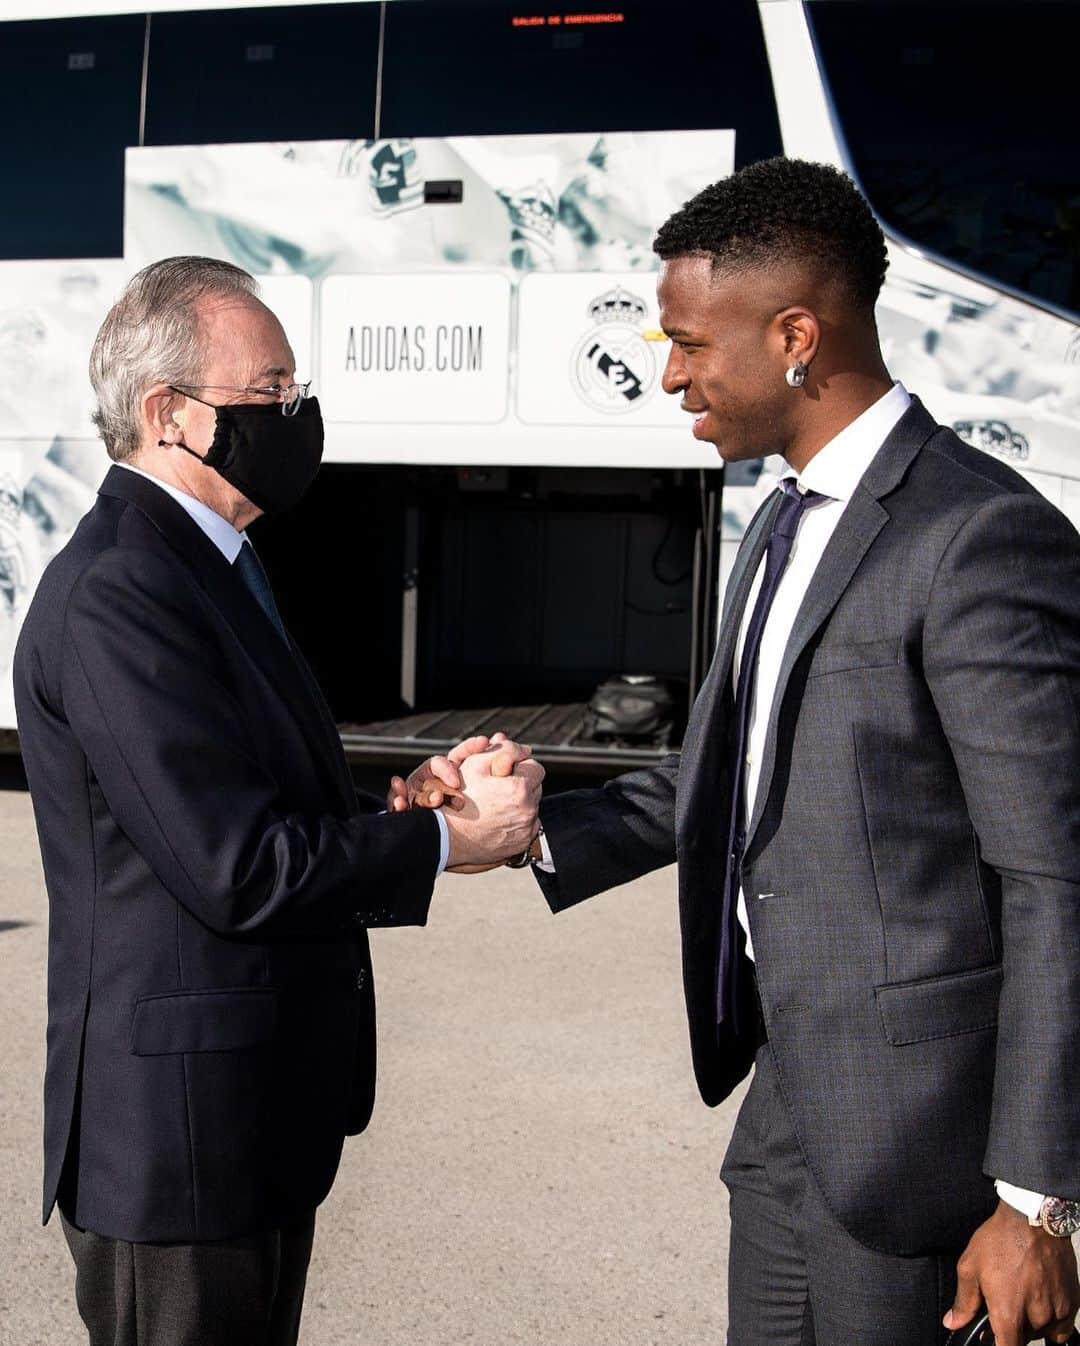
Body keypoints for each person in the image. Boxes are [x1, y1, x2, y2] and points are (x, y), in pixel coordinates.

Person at [401, 160, 1080, 1345]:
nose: (668, 371)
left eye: (687, 342)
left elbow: (1056, 876)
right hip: (782, 1108)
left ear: (796, 337)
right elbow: (727, 774)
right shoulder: (780, 516)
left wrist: (1036, 1196)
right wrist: (524, 828)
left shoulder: (980, 536)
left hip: (925, 1152)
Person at [13, 256, 542, 1346]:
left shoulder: (211, 561)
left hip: (243, 1123)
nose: (298, 417)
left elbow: (248, 784)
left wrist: (402, 802)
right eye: (271, 396)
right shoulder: (123, 587)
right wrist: (447, 841)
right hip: (180, 1146)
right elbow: (234, 862)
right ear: (170, 413)